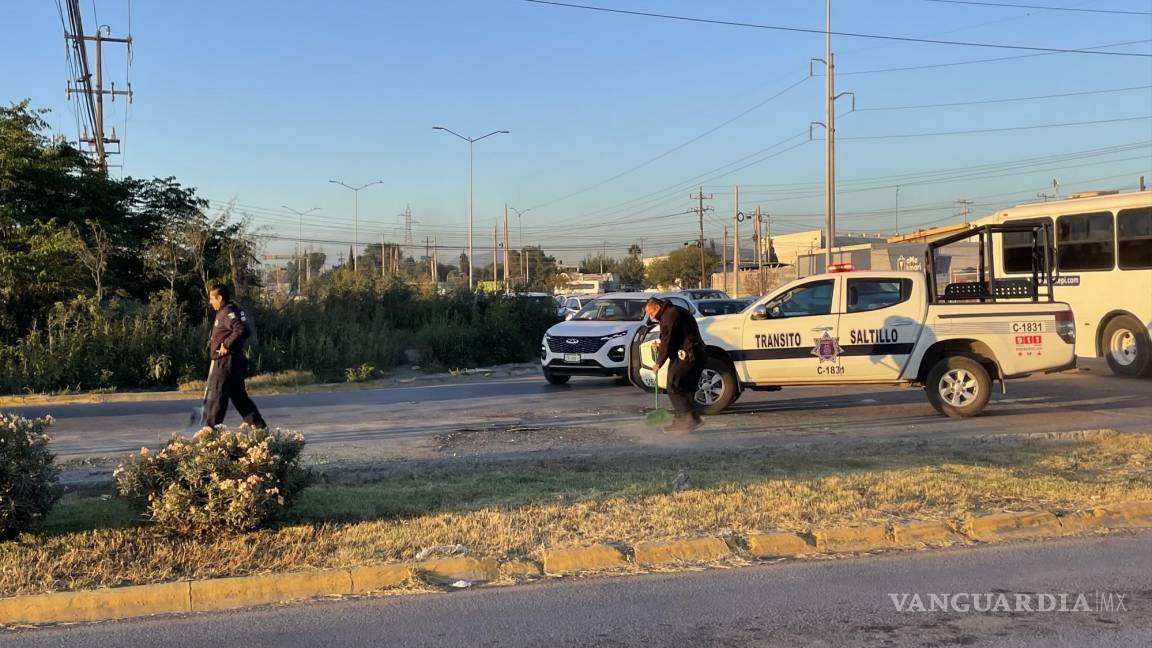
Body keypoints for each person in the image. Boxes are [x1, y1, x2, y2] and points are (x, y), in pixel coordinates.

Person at [205, 283, 267, 429]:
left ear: (219, 298)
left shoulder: (226, 312)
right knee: (240, 399)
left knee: (217, 399)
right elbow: (245, 331)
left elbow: (240, 329)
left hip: (226, 363)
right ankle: (260, 428)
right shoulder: (235, 309)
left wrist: (226, 345)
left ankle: (210, 435)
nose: (210, 302)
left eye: (211, 299)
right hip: (235, 362)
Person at [645, 296, 706, 432]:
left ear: (657, 307)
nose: (651, 317)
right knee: (684, 388)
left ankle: (690, 420)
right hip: (694, 353)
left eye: (651, 313)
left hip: (689, 355)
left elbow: (668, 340)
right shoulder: (672, 312)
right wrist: (660, 347)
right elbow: (671, 338)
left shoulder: (670, 315)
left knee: (674, 385)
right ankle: (684, 421)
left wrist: (658, 363)